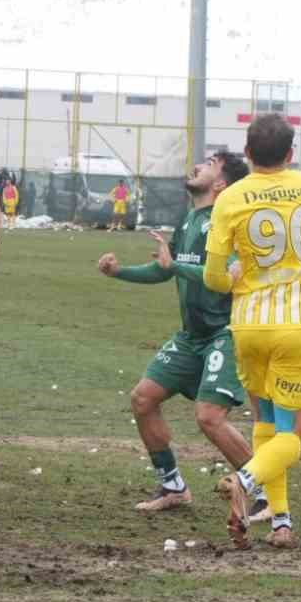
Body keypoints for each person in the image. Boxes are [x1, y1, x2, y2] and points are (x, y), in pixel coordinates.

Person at [97, 151, 267, 522]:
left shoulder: (232, 220)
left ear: (221, 183)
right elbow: (165, 270)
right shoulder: (189, 218)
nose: (198, 165)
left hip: (227, 331)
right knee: (143, 399)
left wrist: (176, 266)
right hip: (193, 335)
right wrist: (119, 272)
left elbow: (231, 274)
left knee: (209, 416)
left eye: (209, 163)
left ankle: (265, 492)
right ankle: (173, 486)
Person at [205, 114, 301, 550]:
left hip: (249, 326)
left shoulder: (230, 197)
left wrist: (236, 276)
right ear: (291, 154)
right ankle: (245, 480)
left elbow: (213, 277)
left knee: (266, 422)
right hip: (299, 323)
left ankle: (281, 521)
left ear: (246, 153)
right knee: (293, 432)